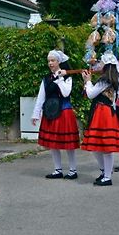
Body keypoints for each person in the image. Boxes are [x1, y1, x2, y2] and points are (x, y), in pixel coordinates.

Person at [31, 50, 80, 180]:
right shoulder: (46, 79)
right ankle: (57, 169)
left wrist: (59, 78)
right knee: (53, 144)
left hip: (64, 111)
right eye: (49, 61)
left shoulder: (67, 76)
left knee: (68, 144)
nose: (50, 63)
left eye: (53, 60)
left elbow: (66, 93)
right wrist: (36, 114)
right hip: (50, 112)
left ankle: (72, 170)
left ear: (59, 62)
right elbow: (41, 97)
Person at [81, 53, 119, 186]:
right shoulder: (111, 79)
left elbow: (91, 94)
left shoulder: (105, 80)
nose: (100, 65)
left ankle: (107, 175)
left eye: (102, 63)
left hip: (102, 113)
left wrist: (87, 80)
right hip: (104, 112)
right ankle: (105, 172)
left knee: (104, 147)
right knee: (98, 146)